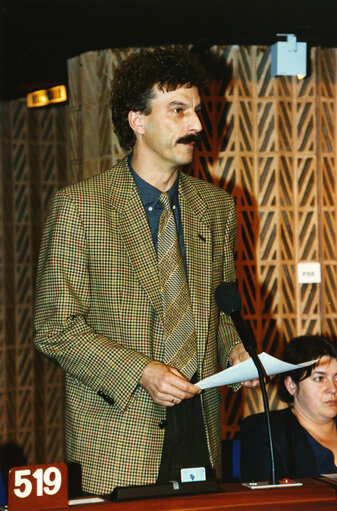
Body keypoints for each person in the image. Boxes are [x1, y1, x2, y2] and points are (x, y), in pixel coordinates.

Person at [34, 46, 253, 495]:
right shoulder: (81, 207)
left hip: (201, 424)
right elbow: (55, 327)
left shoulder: (216, 208)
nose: (196, 125)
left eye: (196, 111)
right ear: (137, 120)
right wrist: (141, 372)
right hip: (120, 434)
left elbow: (219, 307)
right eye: (178, 111)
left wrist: (236, 351)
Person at [240, 335, 337, 482]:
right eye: (319, 378)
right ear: (292, 385)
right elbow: (266, 500)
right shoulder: (265, 431)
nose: (333, 389)